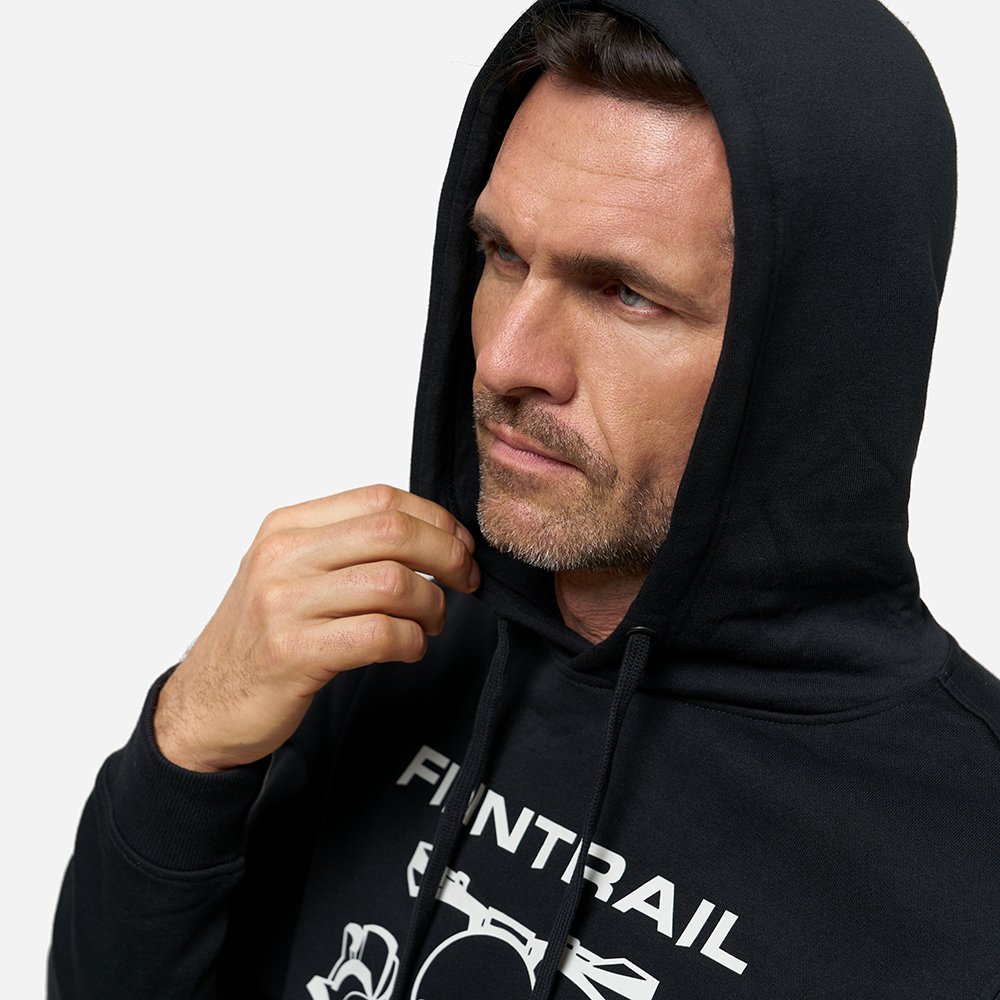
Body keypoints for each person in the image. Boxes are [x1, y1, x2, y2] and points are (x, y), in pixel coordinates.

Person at [49, 1, 1000, 997]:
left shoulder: (967, 867)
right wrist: (188, 748)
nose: (506, 360)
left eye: (625, 293)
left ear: (814, 357)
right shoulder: (377, 641)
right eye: (504, 256)